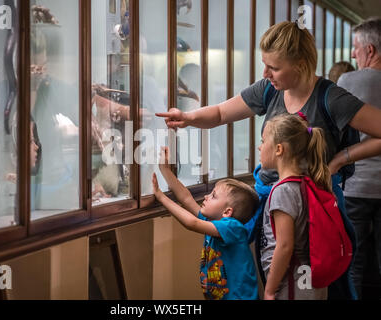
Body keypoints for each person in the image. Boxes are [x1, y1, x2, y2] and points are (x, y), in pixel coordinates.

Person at [156, 21, 381, 299]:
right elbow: (220, 113)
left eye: (273, 67)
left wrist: (340, 159)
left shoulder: (331, 98)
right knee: (274, 273)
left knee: (316, 281)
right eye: (265, 65)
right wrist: (189, 118)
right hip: (271, 202)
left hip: (311, 211)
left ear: (299, 64)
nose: (265, 73)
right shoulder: (269, 89)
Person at [152, 147, 259, 300]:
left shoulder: (232, 227)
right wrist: (165, 170)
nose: (206, 196)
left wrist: (161, 197)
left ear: (227, 212)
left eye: (213, 196)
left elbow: (191, 223)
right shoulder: (213, 222)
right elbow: (186, 199)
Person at [332, 18, 381, 299]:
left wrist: (340, 159)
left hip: (357, 186)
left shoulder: (347, 81)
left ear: (370, 50)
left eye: (355, 48)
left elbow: (336, 131)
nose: (353, 55)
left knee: (354, 261)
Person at [258, 113, 329, 300]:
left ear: (279, 149)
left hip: (293, 282)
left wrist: (269, 290)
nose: (259, 147)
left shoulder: (284, 191)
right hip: (309, 278)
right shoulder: (306, 182)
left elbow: (285, 246)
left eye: (263, 141)